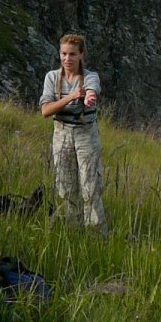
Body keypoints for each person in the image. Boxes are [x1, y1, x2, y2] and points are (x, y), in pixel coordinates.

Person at [40, 33, 105, 230]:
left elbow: (92, 89)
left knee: (90, 186)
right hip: (61, 133)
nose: (67, 59)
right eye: (64, 54)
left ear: (81, 55)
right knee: (65, 186)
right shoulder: (52, 77)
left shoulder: (90, 76)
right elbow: (45, 110)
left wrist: (88, 98)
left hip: (86, 133)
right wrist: (71, 98)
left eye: (72, 54)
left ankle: (96, 234)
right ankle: (72, 230)